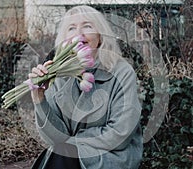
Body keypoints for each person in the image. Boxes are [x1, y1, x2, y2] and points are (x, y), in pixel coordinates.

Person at [29, 5, 143, 169]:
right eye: (71, 28)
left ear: (100, 36)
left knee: (62, 153)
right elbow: (54, 138)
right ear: (64, 39)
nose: (78, 33)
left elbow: (120, 133)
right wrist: (38, 98)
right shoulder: (57, 75)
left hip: (110, 156)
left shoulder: (121, 72)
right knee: (61, 153)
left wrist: (72, 141)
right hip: (68, 155)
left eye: (87, 26)